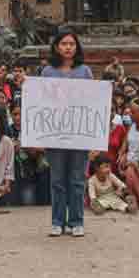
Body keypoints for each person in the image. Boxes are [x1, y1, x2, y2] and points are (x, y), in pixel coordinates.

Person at [42, 27, 93, 237]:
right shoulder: (46, 72)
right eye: (64, 44)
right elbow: (40, 101)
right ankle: (57, 221)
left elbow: (93, 102)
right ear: (56, 47)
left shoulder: (85, 71)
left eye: (71, 44)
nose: (68, 48)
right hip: (55, 132)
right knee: (57, 180)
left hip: (79, 132)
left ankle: (76, 220)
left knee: (77, 179)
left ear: (77, 47)